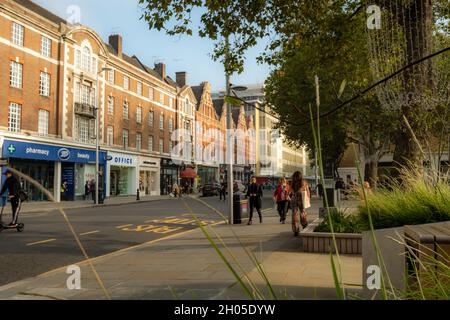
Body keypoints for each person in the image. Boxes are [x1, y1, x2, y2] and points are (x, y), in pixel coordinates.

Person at [289, 171, 307, 236]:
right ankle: (297, 229)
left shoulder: (302, 182)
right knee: (295, 215)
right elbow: (291, 189)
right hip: (297, 199)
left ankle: (303, 225)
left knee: (299, 214)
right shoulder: (294, 182)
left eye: (296, 176)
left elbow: (303, 188)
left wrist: (295, 192)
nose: (295, 178)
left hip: (299, 199)